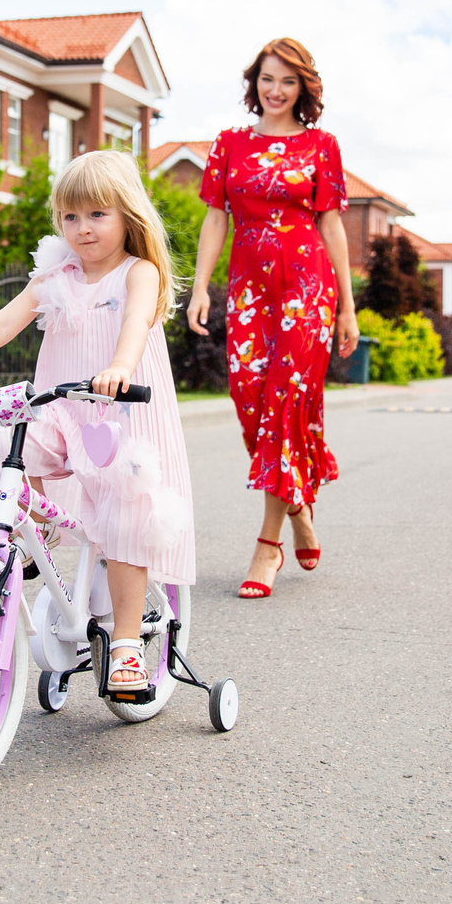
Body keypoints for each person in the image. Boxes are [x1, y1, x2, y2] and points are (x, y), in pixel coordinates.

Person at [0, 150, 196, 697]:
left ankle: (129, 646)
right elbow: (3, 321)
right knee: (2, 444)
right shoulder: (56, 277)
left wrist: (118, 367)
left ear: (127, 215)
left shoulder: (139, 273)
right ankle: (34, 530)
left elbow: (136, 322)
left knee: (128, 515)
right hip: (62, 414)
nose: (82, 229)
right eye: (70, 217)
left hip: (122, 420)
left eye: (97, 215)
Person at [183, 38, 361, 600]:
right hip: (249, 288)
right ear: (253, 83)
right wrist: (201, 288)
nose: (275, 90)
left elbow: (332, 226)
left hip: (307, 285)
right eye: (267, 79)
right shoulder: (230, 144)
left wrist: (347, 308)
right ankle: (300, 505)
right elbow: (216, 219)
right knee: (249, 398)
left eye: (287, 81)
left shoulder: (321, 146)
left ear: (302, 87)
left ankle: (268, 545)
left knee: (285, 401)